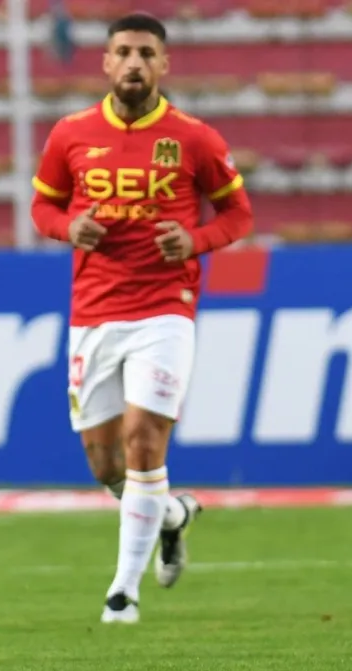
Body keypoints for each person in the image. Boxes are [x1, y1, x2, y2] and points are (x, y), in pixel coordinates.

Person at [30, 13, 254, 624]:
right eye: (123, 51)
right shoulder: (70, 134)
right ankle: (172, 515)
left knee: (143, 439)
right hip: (93, 312)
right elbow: (42, 207)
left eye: (146, 53)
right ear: (105, 62)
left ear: (164, 64)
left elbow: (237, 214)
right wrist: (66, 228)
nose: (134, 63)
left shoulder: (195, 137)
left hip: (165, 310)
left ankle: (123, 592)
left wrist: (197, 240)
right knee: (105, 465)